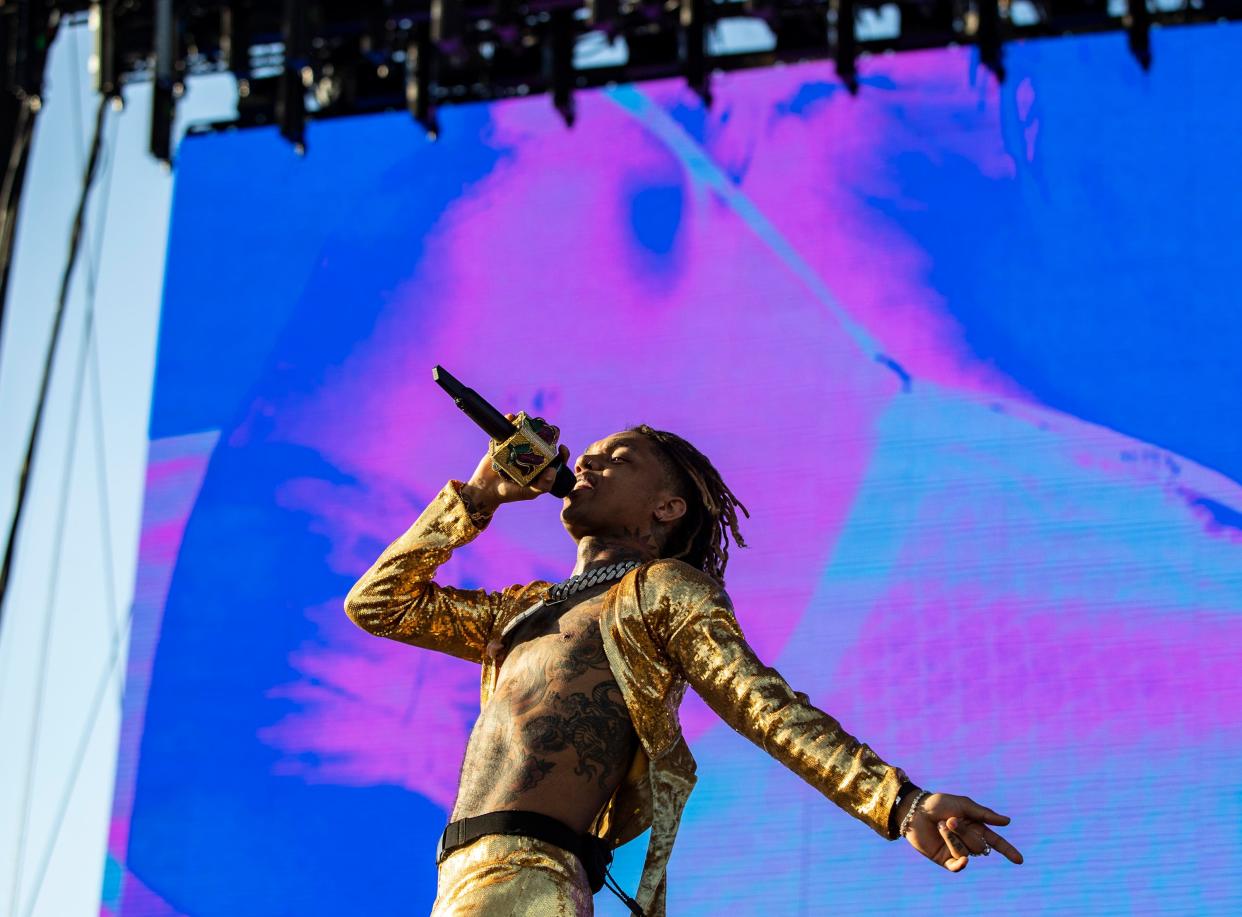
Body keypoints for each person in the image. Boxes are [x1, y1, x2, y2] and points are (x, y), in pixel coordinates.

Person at [344, 419, 1023, 916]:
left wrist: (898, 800)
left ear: (665, 509)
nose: (586, 460)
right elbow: (379, 603)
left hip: (532, 876)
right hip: (459, 878)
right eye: (592, 454)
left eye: (618, 459)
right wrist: (481, 494)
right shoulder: (520, 609)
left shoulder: (662, 588)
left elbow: (763, 704)